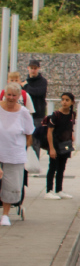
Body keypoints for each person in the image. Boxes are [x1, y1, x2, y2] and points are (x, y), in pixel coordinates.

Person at [0, 82, 34, 226]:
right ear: (4, 94)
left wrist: (24, 148)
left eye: (14, 95)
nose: (11, 98)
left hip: (14, 153)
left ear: (19, 96)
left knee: (11, 184)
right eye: (9, 94)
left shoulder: (24, 112)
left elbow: (29, 134)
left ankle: (5, 215)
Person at [43, 92, 75, 199]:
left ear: (72, 102)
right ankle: (49, 190)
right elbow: (49, 132)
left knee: (62, 168)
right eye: (63, 99)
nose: (64, 102)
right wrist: (51, 148)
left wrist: (71, 136)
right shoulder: (56, 115)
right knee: (53, 167)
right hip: (55, 144)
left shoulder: (72, 114)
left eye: (67, 100)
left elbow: (70, 127)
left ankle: (59, 189)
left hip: (65, 144)